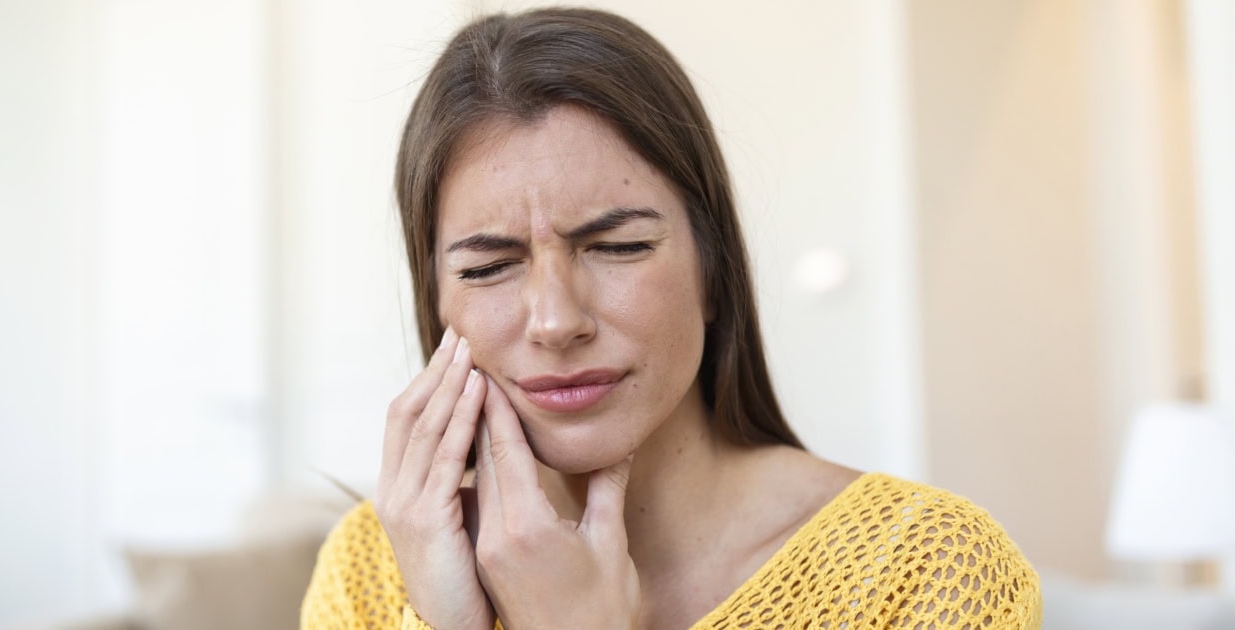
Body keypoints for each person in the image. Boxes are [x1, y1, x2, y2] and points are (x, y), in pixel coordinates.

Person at [301, 7, 1041, 629]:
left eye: (618, 247)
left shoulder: (928, 570)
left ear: (713, 272)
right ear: (439, 303)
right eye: (489, 266)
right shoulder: (372, 568)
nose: (555, 321)